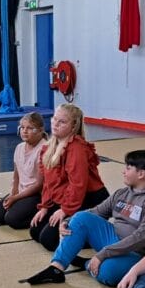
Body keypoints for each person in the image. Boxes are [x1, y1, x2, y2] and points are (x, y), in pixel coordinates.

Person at [21, 149, 145, 286]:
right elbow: (96, 212)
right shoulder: (122, 193)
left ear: (141, 174)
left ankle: (87, 263)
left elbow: (141, 238)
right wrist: (67, 221)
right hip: (112, 238)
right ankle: (56, 268)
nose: (123, 171)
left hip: (136, 251)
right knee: (81, 217)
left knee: (107, 273)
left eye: (128, 168)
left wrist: (103, 254)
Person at [28, 103, 109, 252]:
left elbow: (78, 185)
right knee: (35, 231)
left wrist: (65, 210)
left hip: (90, 198)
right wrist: (45, 206)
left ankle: (96, 236)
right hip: (69, 196)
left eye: (62, 122)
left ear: (73, 126)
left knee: (49, 240)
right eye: (54, 119)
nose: (56, 124)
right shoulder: (49, 147)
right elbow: (48, 182)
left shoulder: (77, 148)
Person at [0, 112, 47, 229]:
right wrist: (13, 193)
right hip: (22, 191)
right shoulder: (19, 147)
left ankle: (43, 219)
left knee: (12, 220)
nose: (24, 131)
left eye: (30, 128)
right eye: (22, 127)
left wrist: (16, 198)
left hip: (36, 194)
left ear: (40, 130)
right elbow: (17, 174)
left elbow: (39, 185)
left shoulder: (44, 149)